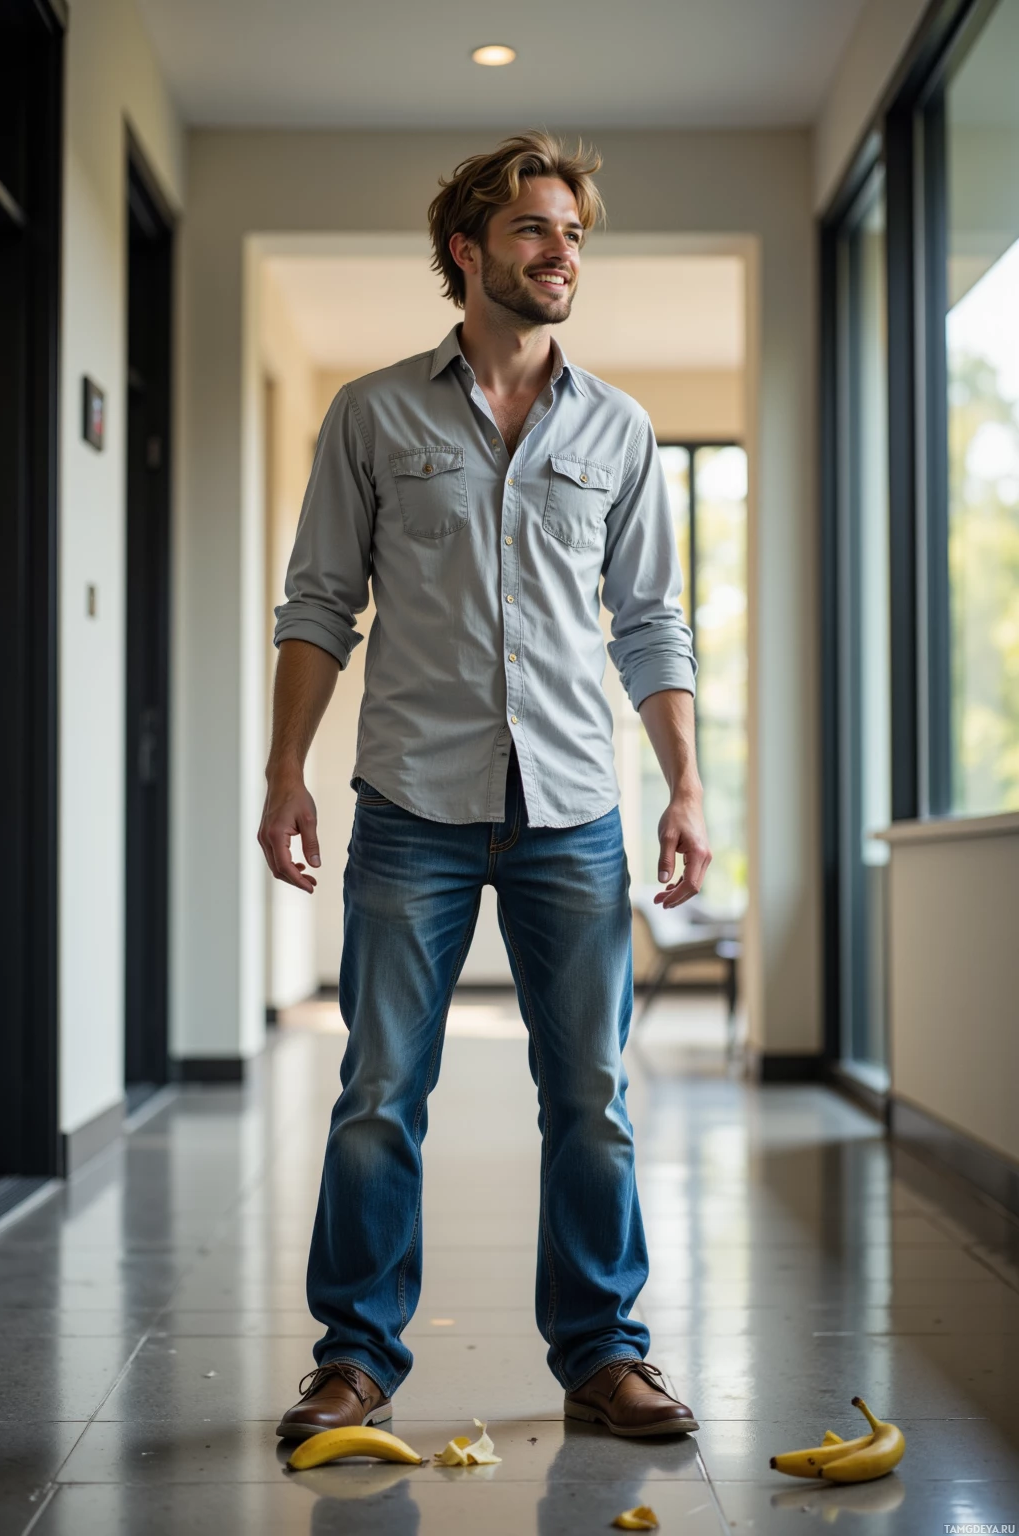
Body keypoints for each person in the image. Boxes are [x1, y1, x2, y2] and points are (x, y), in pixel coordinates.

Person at [259, 131, 710, 1442]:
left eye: (572, 232)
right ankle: (354, 1358)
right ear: (466, 249)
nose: (562, 252)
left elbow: (652, 623)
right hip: (411, 807)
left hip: (575, 808)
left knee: (592, 1101)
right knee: (379, 1095)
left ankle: (602, 1353)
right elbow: (319, 605)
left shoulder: (620, 429)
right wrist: (288, 771)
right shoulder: (374, 414)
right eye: (534, 231)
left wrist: (683, 785)